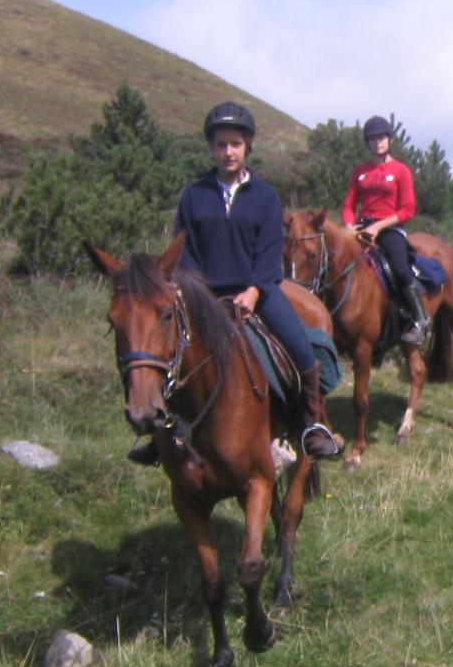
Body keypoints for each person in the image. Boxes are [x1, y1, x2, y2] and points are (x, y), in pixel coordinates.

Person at [130, 101, 338, 464]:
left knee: (301, 350)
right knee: (166, 352)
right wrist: (197, 292)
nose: (228, 151)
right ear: (212, 148)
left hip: (258, 290)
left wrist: (254, 291)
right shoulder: (195, 196)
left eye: (235, 144)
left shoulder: (266, 197)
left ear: (247, 148)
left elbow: (270, 251)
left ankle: (308, 424)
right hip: (202, 295)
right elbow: (185, 249)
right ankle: (163, 433)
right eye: (221, 144)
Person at [341, 115, 428, 344]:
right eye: (372, 139)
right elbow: (349, 205)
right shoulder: (360, 171)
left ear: (389, 140)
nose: (377, 142)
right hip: (361, 228)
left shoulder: (401, 171)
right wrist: (349, 226)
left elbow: (408, 209)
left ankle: (420, 319)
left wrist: (379, 226)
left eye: (381, 137)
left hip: (390, 229)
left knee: (400, 270)